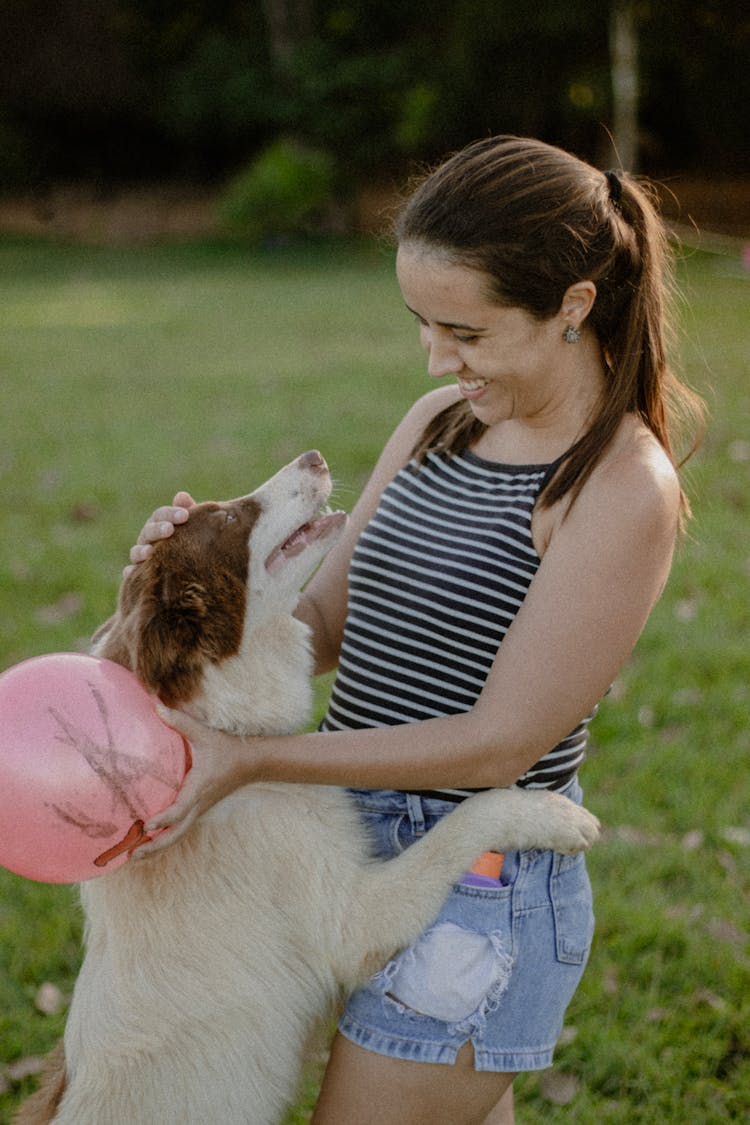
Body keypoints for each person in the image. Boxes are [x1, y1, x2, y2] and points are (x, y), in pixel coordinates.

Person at [127, 136, 703, 1125]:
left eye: (468, 333)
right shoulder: (442, 422)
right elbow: (319, 622)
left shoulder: (618, 488)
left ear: (572, 304)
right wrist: (183, 585)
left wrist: (252, 761)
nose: (438, 358)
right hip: (345, 851)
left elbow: (499, 746)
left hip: (473, 889)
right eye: (423, 324)